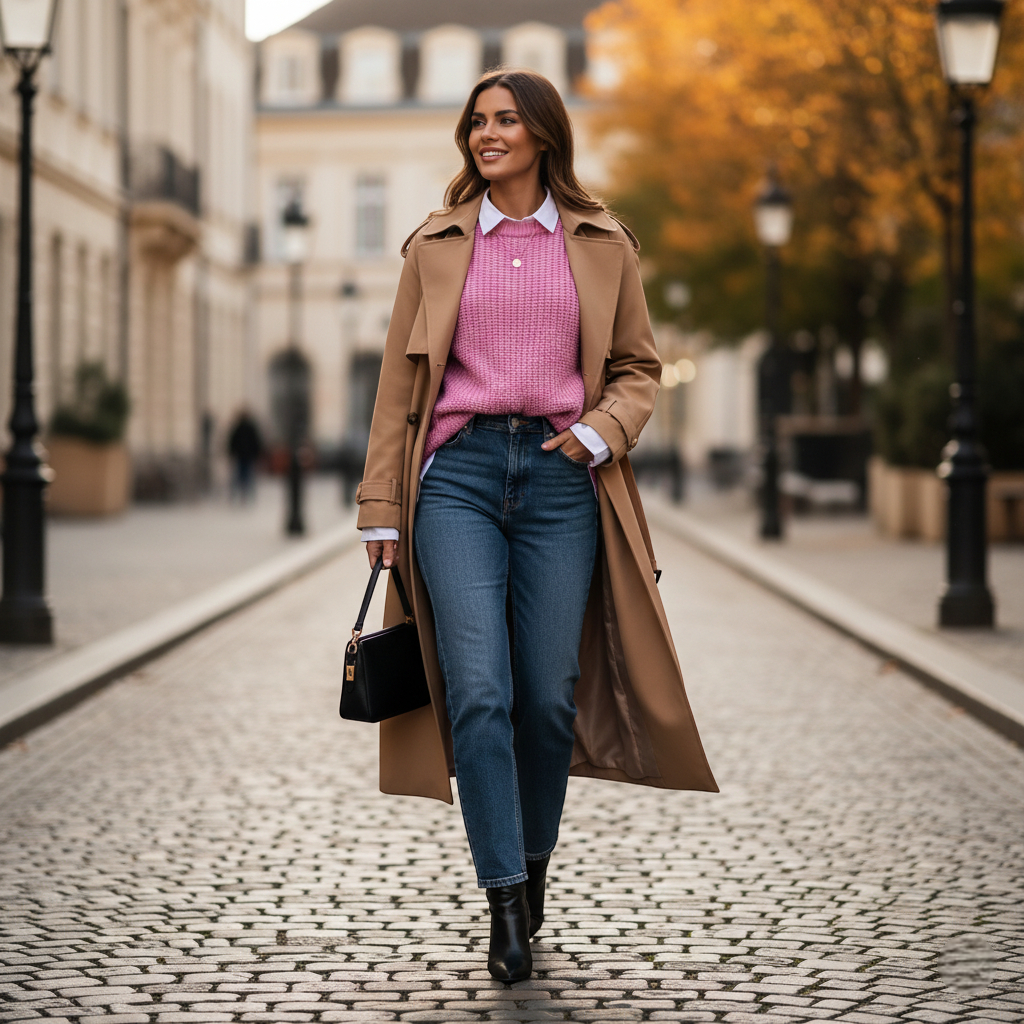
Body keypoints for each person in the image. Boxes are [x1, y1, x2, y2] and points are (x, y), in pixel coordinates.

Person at [356, 68, 717, 984]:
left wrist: (599, 433)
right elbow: (399, 392)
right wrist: (381, 507)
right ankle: (504, 900)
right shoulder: (434, 244)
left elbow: (639, 366)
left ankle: (536, 867)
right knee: (476, 690)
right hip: (459, 481)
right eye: (477, 121)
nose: (487, 133)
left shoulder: (603, 243)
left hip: (563, 481)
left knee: (547, 698)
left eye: (506, 120)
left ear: (544, 134)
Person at [227, 408, 263, 503]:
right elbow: (256, 442)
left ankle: (241, 494)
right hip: (247, 455)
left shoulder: (238, 428)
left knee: (241, 475)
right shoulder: (249, 428)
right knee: (248, 475)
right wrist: (257, 453)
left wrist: (231, 452)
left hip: (241, 455)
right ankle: (246, 494)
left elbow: (232, 441)